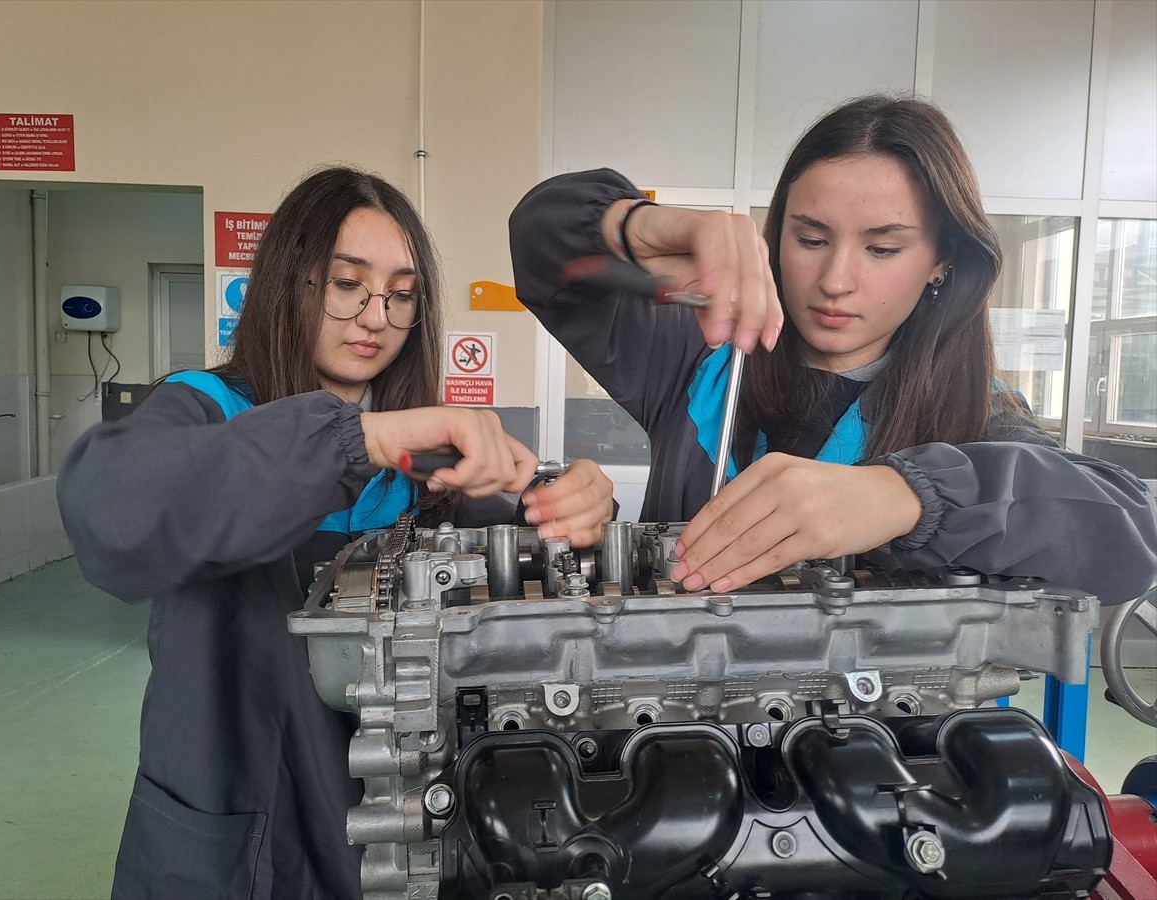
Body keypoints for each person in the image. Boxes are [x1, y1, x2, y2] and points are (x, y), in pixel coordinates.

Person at [58, 166, 615, 899]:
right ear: (290, 281)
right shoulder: (203, 409)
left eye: (401, 294)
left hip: (393, 832)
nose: (375, 315)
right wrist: (360, 443)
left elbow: (518, 528)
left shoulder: (428, 464)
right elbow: (109, 510)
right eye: (347, 283)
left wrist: (569, 499)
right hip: (240, 843)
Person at [510, 94, 1156, 607]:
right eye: (811, 238)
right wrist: (641, 223)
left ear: (940, 264)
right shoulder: (703, 357)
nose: (835, 280)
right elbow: (539, 245)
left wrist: (904, 497)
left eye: (882, 249)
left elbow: (1129, 533)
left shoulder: (976, 413)